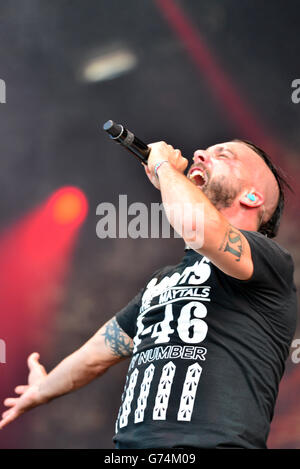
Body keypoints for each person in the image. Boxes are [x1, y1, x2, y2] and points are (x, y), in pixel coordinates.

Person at [0, 139, 297, 449]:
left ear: (252, 197)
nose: (199, 154)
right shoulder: (163, 281)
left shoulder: (269, 263)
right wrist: (42, 389)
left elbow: (197, 228)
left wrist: (163, 166)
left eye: (223, 155)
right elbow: (98, 353)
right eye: (205, 151)